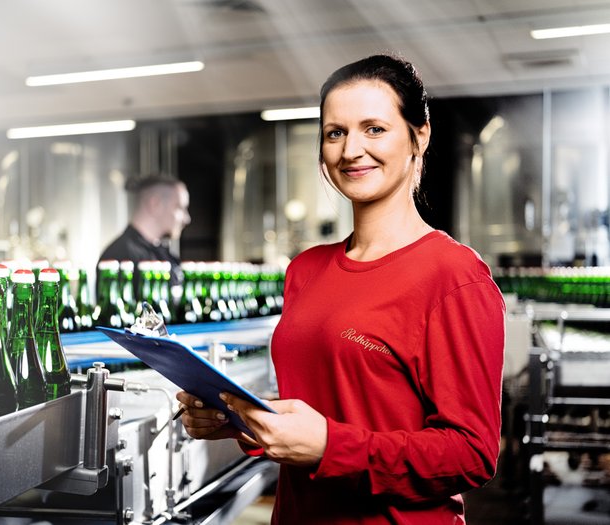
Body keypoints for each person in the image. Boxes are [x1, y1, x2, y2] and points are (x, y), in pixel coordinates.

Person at [176, 53, 505, 524]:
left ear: (420, 135)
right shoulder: (306, 270)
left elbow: (471, 454)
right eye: (336, 132)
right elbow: (318, 409)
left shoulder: (453, 277)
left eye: (374, 128)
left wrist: (332, 447)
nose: (351, 150)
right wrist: (236, 420)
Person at [98, 174, 191, 287]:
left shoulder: (165, 255)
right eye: (179, 207)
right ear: (155, 204)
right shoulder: (119, 256)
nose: (187, 219)